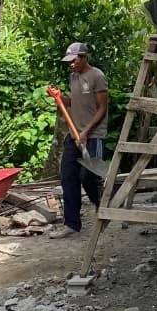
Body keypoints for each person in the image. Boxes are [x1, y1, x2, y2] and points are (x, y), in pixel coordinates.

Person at [48, 42, 107, 238]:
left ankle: (102, 206)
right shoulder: (73, 77)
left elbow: (102, 108)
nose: (71, 64)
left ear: (84, 57)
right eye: (69, 61)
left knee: (89, 176)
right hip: (74, 135)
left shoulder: (97, 77)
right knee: (68, 177)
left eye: (74, 60)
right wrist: (59, 98)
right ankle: (71, 224)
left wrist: (86, 132)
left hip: (93, 135)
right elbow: (75, 102)